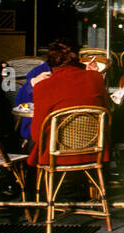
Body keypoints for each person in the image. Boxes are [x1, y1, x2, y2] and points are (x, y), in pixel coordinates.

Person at [28, 38, 111, 169]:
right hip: (93, 152)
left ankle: (35, 187)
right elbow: (108, 115)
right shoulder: (95, 78)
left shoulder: (43, 86)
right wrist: (93, 75)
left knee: (30, 145)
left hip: (56, 156)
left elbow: (37, 134)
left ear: (50, 62)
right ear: (77, 58)